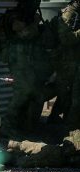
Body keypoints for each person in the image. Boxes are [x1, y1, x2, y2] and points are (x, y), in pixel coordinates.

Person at [0, 0, 55, 136]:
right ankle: (7, 126)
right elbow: (23, 34)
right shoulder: (14, 17)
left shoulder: (28, 16)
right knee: (21, 93)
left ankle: (26, 126)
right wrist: (35, 24)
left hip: (26, 61)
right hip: (16, 59)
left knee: (33, 92)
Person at [47, 0, 80, 131]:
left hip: (74, 61)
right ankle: (68, 129)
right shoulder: (69, 13)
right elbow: (66, 39)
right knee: (69, 96)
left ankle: (60, 123)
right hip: (66, 62)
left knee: (69, 96)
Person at [4, 129, 80, 167]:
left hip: (63, 152)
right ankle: (11, 153)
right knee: (41, 150)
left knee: (41, 149)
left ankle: (12, 149)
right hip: (63, 153)